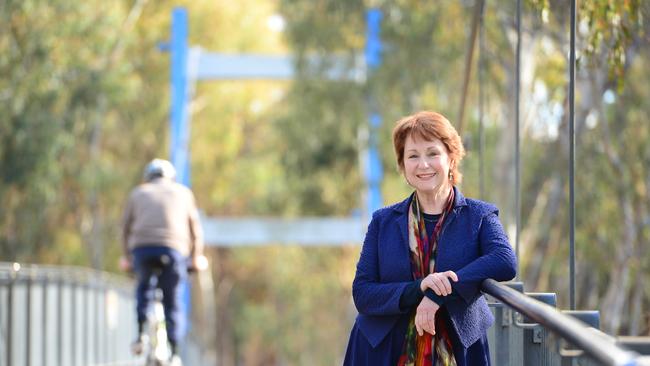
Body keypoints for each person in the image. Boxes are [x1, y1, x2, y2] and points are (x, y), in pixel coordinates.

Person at [344, 111, 517, 365]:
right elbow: (363, 293)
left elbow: (504, 261)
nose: (423, 164)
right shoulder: (383, 222)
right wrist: (419, 288)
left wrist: (437, 294)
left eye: (432, 153)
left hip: (460, 350)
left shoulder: (479, 215)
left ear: (451, 158)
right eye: (413, 156)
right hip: (380, 351)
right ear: (403, 166)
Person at [120, 158, 206, 366]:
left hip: (142, 250)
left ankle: (141, 333)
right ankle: (175, 353)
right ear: (171, 178)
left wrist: (127, 257)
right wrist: (195, 257)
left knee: (143, 290)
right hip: (174, 250)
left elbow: (124, 230)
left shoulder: (138, 193)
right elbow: (196, 231)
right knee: (173, 300)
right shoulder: (184, 194)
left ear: (148, 177)